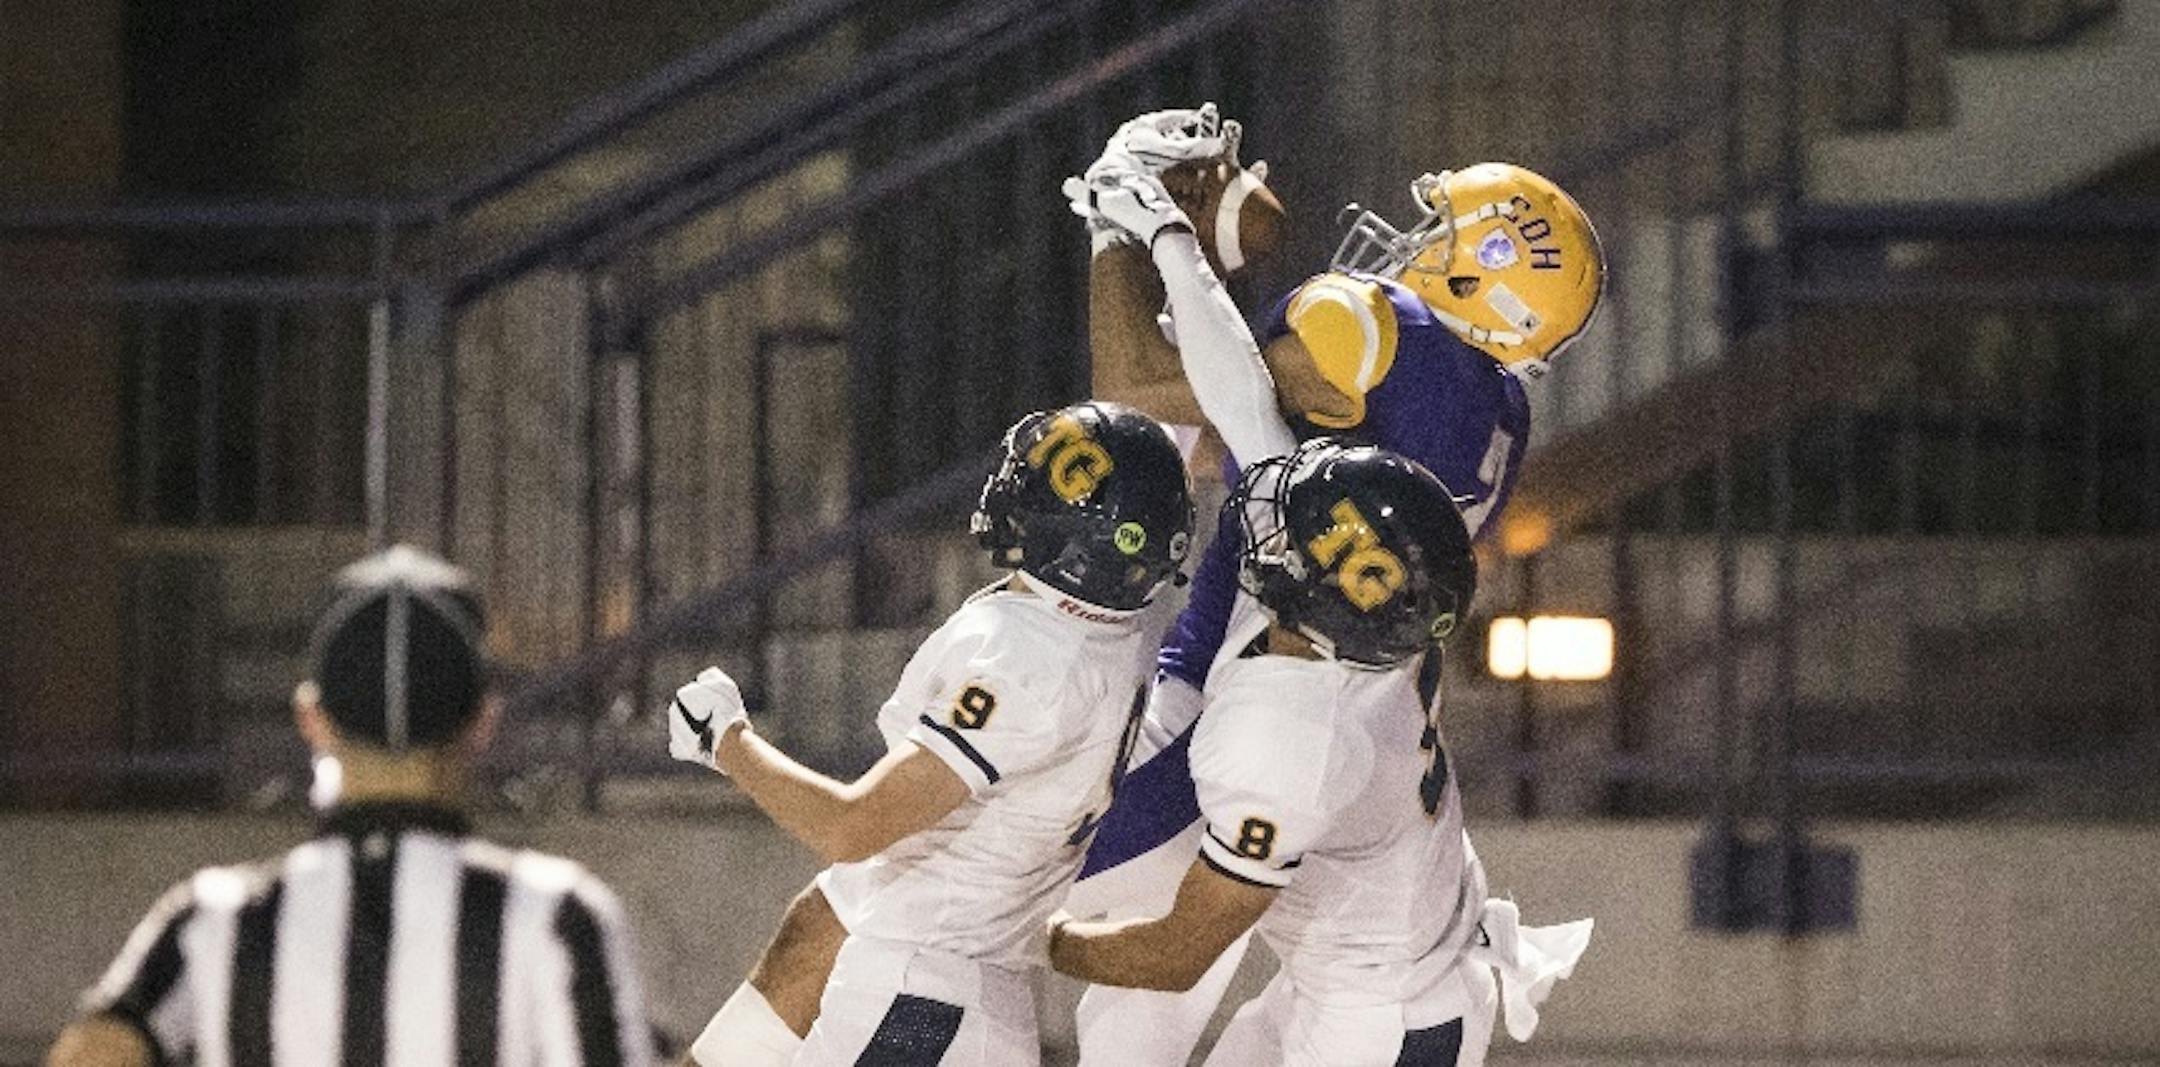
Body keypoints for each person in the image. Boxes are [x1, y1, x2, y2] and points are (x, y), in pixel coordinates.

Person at [1063, 105, 1608, 1065]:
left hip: (1286, 756)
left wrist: (1134, 225)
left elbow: (1141, 401)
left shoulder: (1376, 330)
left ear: (1483, 274)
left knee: (1055, 883)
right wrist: (1175, 259)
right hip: (1333, 774)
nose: (1416, 243)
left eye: (1444, 233)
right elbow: (1244, 446)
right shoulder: (1495, 414)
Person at [668, 401, 1194, 1066]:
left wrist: (727, 741)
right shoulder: (1125, 620)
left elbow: (852, 827)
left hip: (920, 1005)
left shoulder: (1021, 659)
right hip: (952, 987)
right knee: (813, 925)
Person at [47, 545, 654, 1067]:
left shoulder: (214, 920)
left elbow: (93, 1053)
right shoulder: (557, 919)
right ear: (483, 722)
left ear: (312, 719)